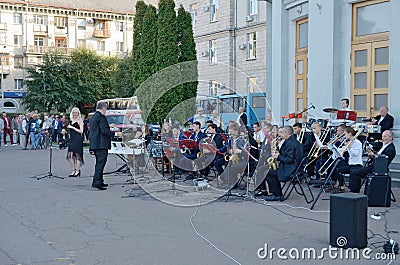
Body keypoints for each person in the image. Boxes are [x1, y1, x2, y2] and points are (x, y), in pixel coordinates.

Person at [256, 126, 303, 201]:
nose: (279, 134)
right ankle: (274, 192)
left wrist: (278, 156)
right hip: (290, 166)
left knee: (267, 172)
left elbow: (289, 159)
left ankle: (276, 194)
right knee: (264, 169)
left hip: (291, 169)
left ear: (287, 133)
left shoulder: (291, 143)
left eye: (281, 132)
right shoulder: (290, 141)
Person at [89, 101, 119, 190]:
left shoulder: (94, 117)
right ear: (103, 108)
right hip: (101, 144)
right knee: (101, 163)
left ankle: (99, 180)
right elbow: (104, 131)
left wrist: (108, 126)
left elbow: (98, 129)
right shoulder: (101, 117)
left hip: (95, 143)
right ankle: (97, 181)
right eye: (106, 109)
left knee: (99, 163)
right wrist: (115, 134)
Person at [331, 127, 363, 192]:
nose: (344, 136)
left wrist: (349, 147)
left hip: (357, 164)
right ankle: (340, 185)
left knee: (352, 172)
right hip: (351, 164)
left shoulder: (357, 143)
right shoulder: (349, 142)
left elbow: (356, 154)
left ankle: (353, 189)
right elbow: (343, 150)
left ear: (350, 134)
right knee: (338, 170)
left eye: (345, 134)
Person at [66, 107, 84, 177]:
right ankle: (73, 169)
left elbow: (81, 131)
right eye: (74, 112)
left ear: (78, 113)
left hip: (78, 139)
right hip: (72, 139)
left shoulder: (80, 120)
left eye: (76, 112)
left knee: (77, 155)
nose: (75, 114)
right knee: (70, 155)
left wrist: (73, 127)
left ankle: (77, 170)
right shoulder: (71, 120)